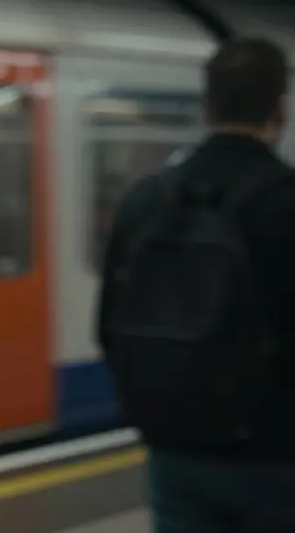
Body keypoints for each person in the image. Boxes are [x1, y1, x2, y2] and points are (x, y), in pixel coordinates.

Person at [98, 38, 295, 532]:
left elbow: (109, 328)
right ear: (280, 111)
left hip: (175, 450)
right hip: (276, 453)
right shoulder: (287, 202)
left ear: (207, 106)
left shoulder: (146, 200)